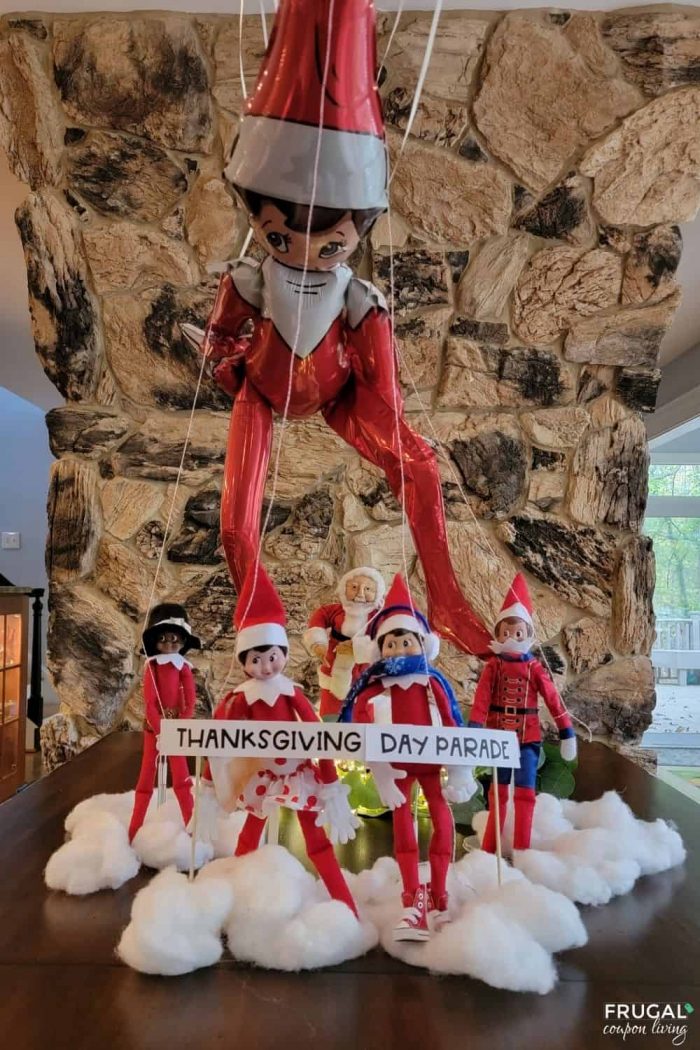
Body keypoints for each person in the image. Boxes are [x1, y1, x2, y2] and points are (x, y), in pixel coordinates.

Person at [195, 0, 492, 661]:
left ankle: (446, 603)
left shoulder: (359, 297)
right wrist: (226, 358)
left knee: (420, 463)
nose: (304, 251)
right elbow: (220, 342)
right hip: (263, 395)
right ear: (257, 219)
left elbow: (385, 389)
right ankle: (261, 625)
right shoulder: (248, 280)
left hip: (337, 397)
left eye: (329, 242)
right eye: (280, 235)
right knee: (236, 525)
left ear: (358, 229)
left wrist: (393, 440)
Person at [203, 563, 359, 915]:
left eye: (272, 657)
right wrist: (209, 787)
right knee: (249, 837)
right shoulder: (239, 698)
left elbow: (318, 737)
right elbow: (219, 742)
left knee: (317, 842)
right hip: (261, 777)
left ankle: (345, 905)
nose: (266, 666)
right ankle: (232, 899)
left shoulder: (292, 693)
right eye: (256, 659)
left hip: (298, 775)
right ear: (244, 662)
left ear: (284, 655)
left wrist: (331, 784)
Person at [340, 575, 476, 941]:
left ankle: (440, 894)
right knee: (403, 827)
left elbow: (452, 722)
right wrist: (380, 773)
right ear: (380, 649)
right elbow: (361, 729)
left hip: (431, 765)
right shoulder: (371, 688)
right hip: (396, 769)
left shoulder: (434, 681)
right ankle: (411, 897)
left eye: (406, 641)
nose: (399, 649)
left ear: (422, 644)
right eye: (391, 643)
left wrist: (459, 770)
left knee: (442, 821)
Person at [467, 574, 577, 853]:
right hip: (498, 738)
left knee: (525, 792)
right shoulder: (493, 666)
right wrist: (474, 730)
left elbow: (552, 699)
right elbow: (481, 700)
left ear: (527, 634)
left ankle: (522, 848)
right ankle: (491, 846)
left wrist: (566, 731)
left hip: (528, 738)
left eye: (518, 633)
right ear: (498, 634)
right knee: (498, 791)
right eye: (506, 632)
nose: (512, 638)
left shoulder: (534, 668)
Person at [128, 603, 201, 843]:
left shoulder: (183, 668)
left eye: (175, 638)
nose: (169, 644)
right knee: (146, 777)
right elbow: (150, 703)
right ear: (154, 641)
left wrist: (179, 724)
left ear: (183, 640)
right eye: (163, 639)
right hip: (154, 730)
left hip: (175, 729)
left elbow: (190, 700)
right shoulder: (152, 667)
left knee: (182, 778)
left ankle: (192, 829)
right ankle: (134, 829)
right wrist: (161, 729)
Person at [303, 566, 385, 718]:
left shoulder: (378, 618)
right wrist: (318, 643)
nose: (360, 593)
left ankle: (361, 725)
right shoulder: (334, 610)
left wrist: (357, 648)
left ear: (377, 593)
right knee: (331, 705)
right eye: (354, 587)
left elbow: (383, 642)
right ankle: (331, 724)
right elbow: (319, 619)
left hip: (362, 669)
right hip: (333, 665)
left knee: (361, 703)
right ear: (344, 588)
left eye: (368, 589)